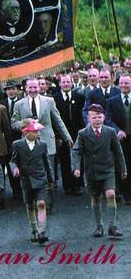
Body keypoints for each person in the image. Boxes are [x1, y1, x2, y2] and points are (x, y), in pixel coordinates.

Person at [12, 78, 73, 210]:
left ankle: (48, 203)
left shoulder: (49, 101)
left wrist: (67, 137)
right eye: (30, 87)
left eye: (35, 87)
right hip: (28, 142)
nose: (33, 90)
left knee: (48, 172)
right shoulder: (19, 104)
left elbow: (57, 120)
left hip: (47, 141)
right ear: (25, 88)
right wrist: (24, 123)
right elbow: (13, 123)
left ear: (39, 88)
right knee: (30, 172)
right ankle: (32, 202)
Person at [72, 104, 127, 237]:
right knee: (95, 198)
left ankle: (112, 226)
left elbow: (118, 151)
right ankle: (99, 226)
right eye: (94, 117)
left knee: (111, 195)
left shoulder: (110, 132)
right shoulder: (83, 133)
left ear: (103, 117)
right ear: (89, 119)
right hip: (92, 170)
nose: (97, 120)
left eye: (100, 117)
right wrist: (76, 167)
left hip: (108, 169)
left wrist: (123, 168)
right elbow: (76, 151)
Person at [10, 119, 54, 243]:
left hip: (40, 178)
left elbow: (47, 163)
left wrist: (50, 179)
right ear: (25, 132)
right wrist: (15, 168)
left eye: (38, 131)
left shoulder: (42, 145)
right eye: (35, 131)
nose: (38, 134)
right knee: (30, 205)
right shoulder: (17, 145)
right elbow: (13, 160)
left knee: (41, 203)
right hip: (26, 179)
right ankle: (34, 229)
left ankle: (42, 230)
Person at [105, 73, 131, 203]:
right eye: (121, 83)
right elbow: (107, 119)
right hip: (120, 139)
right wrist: (117, 130)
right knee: (122, 165)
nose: (123, 85)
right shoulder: (112, 101)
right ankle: (125, 193)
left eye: (126, 83)